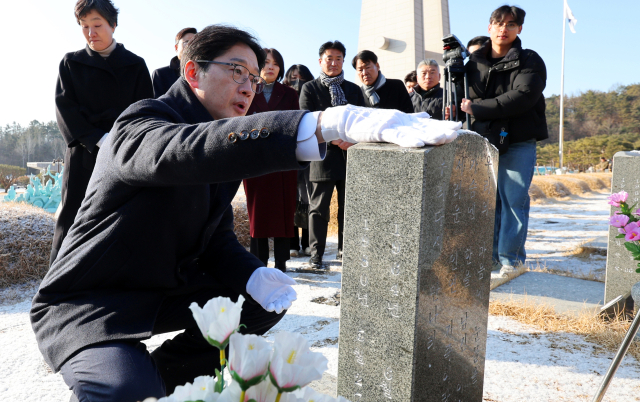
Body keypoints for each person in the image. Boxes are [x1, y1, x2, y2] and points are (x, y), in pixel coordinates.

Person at [31, 24, 445, 402]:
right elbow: (185, 151)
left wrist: (252, 274)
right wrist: (322, 124)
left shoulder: (220, 139)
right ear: (192, 73)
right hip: (95, 303)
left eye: (253, 75)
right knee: (121, 390)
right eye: (236, 71)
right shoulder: (142, 121)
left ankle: (164, 375)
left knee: (258, 303)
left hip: (160, 291)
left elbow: (214, 240)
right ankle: (131, 380)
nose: (248, 86)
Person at [51, 0, 153, 265]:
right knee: (70, 217)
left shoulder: (135, 65)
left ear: (113, 24)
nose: (90, 32)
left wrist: (119, 140)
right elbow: (65, 110)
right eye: (84, 25)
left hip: (124, 153)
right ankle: (56, 284)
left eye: (97, 24)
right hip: (83, 154)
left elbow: (146, 111)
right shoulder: (71, 63)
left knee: (122, 216)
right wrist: (97, 139)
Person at [460, 5, 547, 277]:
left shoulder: (530, 59)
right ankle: (491, 261)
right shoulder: (473, 63)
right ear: (489, 27)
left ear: (519, 29)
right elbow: (461, 100)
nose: (503, 29)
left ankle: (511, 261)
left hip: (518, 140)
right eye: (498, 23)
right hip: (484, 141)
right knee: (488, 203)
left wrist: (477, 107)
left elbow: (523, 96)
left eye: (511, 24)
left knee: (513, 200)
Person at [299, 40, 364, 269]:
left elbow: (360, 118)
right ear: (320, 61)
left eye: (338, 58)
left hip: (349, 156)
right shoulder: (310, 88)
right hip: (322, 155)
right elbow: (307, 119)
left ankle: (345, 251)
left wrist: (351, 139)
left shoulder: (354, 90)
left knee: (349, 208)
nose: (334, 63)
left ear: (343, 61)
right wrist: (334, 138)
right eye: (329, 58)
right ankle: (316, 255)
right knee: (318, 208)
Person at [243, 49, 300, 272]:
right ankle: (258, 261)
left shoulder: (289, 93)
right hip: (255, 157)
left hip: (283, 157)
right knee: (258, 212)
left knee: (283, 212)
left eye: (276, 64)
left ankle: (282, 262)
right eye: (266, 63)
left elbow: (295, 122)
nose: (271, 67)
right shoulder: (247, 89)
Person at [283, 64, 315, 258]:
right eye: (293, 78)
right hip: (288, 154)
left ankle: (308, 242)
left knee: (308, 198)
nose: (297, 82)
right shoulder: (284, 97)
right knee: (291, 199)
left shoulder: (311, 96)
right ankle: (292, 242)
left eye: (301, 78)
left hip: (309, 153)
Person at [152, 27, 197, 97]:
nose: (191, 47)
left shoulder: (205, 72)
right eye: (187, 42)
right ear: (176, 48)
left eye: (194, 43)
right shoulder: (161, 74)